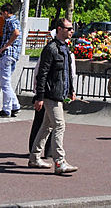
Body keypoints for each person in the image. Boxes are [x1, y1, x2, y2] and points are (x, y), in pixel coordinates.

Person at [28, 19, 78, 174]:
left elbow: (67, 72)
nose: (71, 31)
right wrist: (40, 96)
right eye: (69, 28)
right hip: (51, 94)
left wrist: (71, 89)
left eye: (72, 28)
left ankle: (34, 157)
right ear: (59, 29)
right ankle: (59, 162)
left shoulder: (64, 48)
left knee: (47, 126)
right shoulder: (51, 48)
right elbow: (42, 73)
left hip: (58, 93)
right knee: (59, 125)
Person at [0, 2, 22, 118]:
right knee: (7, 82)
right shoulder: (16, 20)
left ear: (6, 12)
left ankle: (7, 109)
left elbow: (16, 33)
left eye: (2, 13)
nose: (1, 16)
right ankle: (14, 105)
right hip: (14, 55)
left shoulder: (9, 21)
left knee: (4, 83)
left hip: (7, 54)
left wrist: (6, 45)